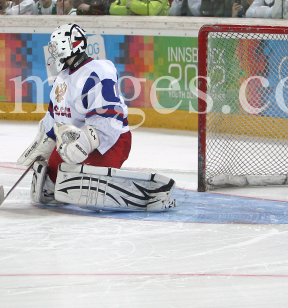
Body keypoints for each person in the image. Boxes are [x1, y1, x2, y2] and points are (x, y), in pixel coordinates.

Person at [15, 23, 174, 211]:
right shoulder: (62, 77)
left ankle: (141, 193)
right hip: (73, 143)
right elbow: (55, 115)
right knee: (54, 173)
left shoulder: (98, 71)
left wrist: (84, 143)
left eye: (57, 48)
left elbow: (109, 118)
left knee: (73, 179)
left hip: (109, 142)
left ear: (71, 46)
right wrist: (42, 144)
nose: (54, 53)